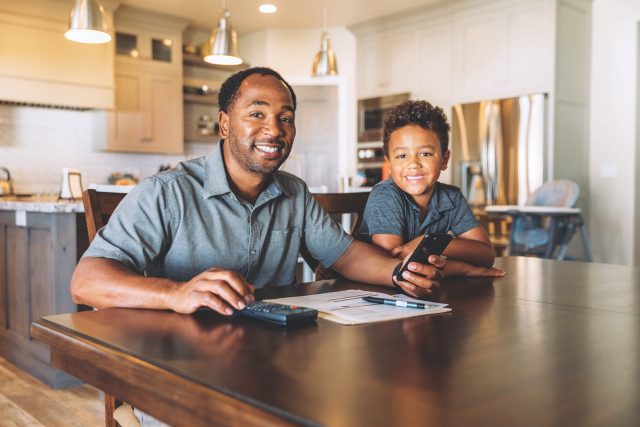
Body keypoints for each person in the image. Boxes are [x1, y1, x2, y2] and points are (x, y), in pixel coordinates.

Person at [71, 67, 452, 316]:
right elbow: (85, 282)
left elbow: (346, 255)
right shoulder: (165, 193)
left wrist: (400, 274)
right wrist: (175, 293)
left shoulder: (294, 193)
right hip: (177, 365)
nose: (274, 129)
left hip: (268, 358)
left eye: (285, 118)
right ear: (224, 124)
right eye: (257, 113)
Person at [357, 100, 504, 276]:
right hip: (371, 293)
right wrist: (464, 269)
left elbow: (486, 255)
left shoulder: (451, 198)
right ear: (388, 164)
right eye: (402, 155)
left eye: (425, 154)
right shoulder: (385, 196)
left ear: (444, 159)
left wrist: (426, 243)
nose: (413, 164)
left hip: (423, 293)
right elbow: (394, 267)